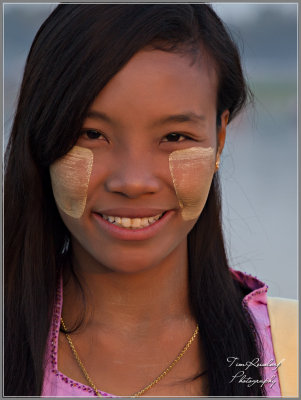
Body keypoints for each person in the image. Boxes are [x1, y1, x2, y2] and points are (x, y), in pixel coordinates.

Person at [4, 4, 297, 397]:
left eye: (175, 137)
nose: (134, 181)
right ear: (43, 139)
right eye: (91, 134)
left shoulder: (287, 353)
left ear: (220, 138)